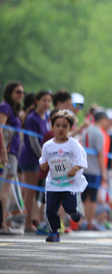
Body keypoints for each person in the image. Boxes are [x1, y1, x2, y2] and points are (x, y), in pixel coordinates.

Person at [39, 110, 88, 242]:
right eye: (58, 125)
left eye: (65, 126)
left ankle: (74, 213)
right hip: (53, 184)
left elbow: (81, 161)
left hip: (69, 184)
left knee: (69, 207)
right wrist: (43, 165)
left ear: (71, 128)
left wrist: (74, 169)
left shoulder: (73, 145)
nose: (61, 129)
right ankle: (54, 232)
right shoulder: (47, 146)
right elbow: (43, 160)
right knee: (50, 210)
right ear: (52, 126)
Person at [18, 90, 52, 232]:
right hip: (31, 158)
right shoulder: (32, 118)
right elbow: (33, 141)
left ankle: (32, 220)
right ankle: (26, 223)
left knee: (33, 192)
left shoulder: (45, 117)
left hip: (40, 158)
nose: (46, 104)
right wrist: (43, 157)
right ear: (36, 101)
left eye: (49, 101)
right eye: (44, 100)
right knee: (29, 192)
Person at [0, 81, 24, 231]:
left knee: (8, 189)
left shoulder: (13, 110)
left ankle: (6, 219)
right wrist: (4, 152)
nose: (21, 95)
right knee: (5, 189)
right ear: (10, 93)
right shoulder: (5, 107)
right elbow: (0, 129)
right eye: (18, 92)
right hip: (7, 152)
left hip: (14, 152)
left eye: (23, 92)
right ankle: (2, 222)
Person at [80, 111, 111, 230]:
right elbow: (100, 153)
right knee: (92, 197)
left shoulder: (86, 130)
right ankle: (89, 221)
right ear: (102, 119)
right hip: (94, 169)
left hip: (84, 167)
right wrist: (103, 172)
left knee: (84, 196)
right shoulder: (99, 133)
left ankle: (83, 220)